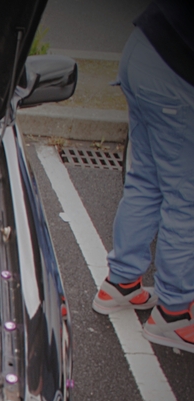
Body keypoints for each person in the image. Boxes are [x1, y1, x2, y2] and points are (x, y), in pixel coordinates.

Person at [92, 0, 194, 355]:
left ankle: (120, 284)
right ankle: (174, 315)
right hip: (177, 72)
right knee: (185, 200)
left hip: (144, 47)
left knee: (146, 180)